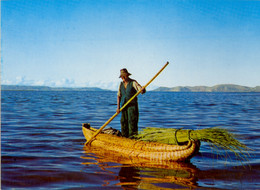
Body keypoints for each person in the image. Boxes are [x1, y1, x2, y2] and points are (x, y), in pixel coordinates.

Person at [116, 68, 146, 138]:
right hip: (124, 106)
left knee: (132, 123)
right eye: (121, 77)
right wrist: (118, 108)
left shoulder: (133, 82)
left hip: (132, 107)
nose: (122, 78)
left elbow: (141, 91)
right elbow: (118, 96)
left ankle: (133, 139)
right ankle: (124, 138)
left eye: (123, 77)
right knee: (123, 122)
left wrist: (143, 89)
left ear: (126, 76)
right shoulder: (121, 84)